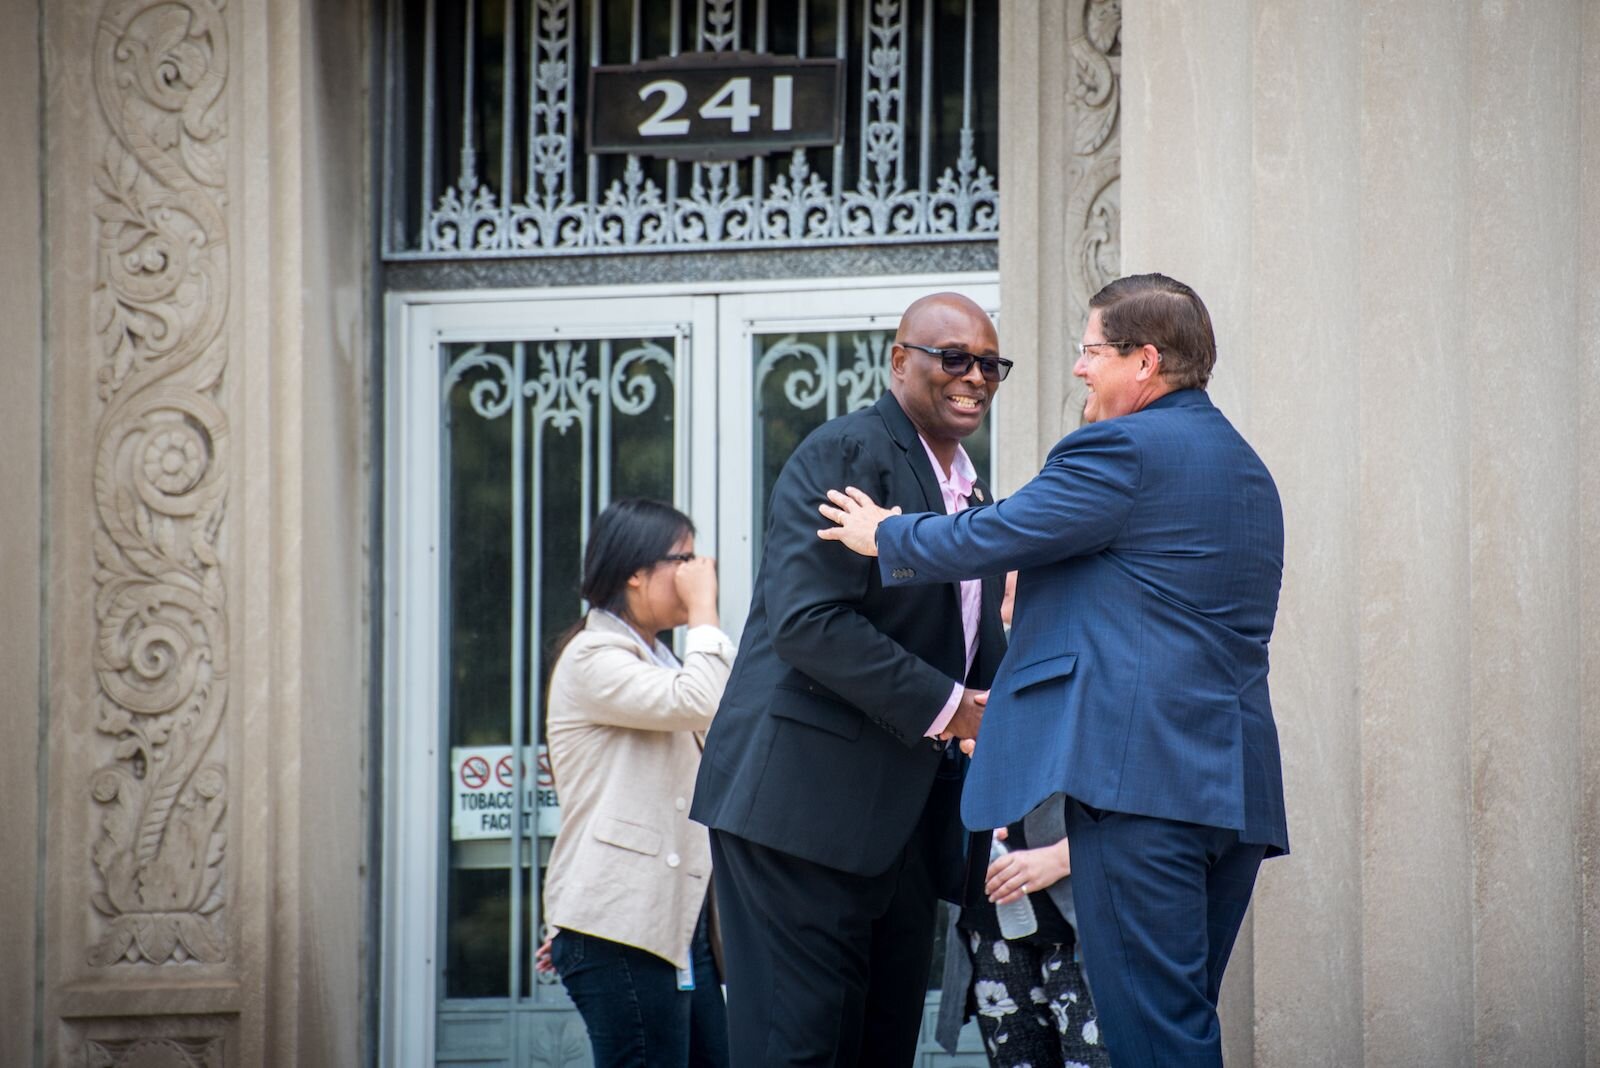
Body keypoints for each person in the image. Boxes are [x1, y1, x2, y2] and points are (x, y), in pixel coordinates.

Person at [819, 273, 1287, 1067]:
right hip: (1230, 793)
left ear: (1144, 362)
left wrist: (887, 536)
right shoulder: (1246, 468)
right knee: (1178, 1022)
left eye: (1090, 352)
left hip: (1141, 788)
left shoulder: (1122, 448)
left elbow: (998, 533)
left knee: (1150, 1039)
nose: (1078, 370)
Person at [690, 292, 1010, 1066]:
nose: (974, 378)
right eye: (953, 358)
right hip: (801, 811)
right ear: (900, 362)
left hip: (897, 823)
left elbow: (968, 641)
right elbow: (808, 624)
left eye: (990, 366)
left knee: (877, 1050)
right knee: (799, 1051)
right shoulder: (848, 452)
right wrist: (954, 710)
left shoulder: (972, 491)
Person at [539, 497, 735, 1068]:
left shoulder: (661, 661)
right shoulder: (593, 656)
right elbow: (705, 700)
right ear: (634, 572)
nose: (701, 572)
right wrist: (705, 614)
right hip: (622, 929)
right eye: (685, 558)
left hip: (673, 927)